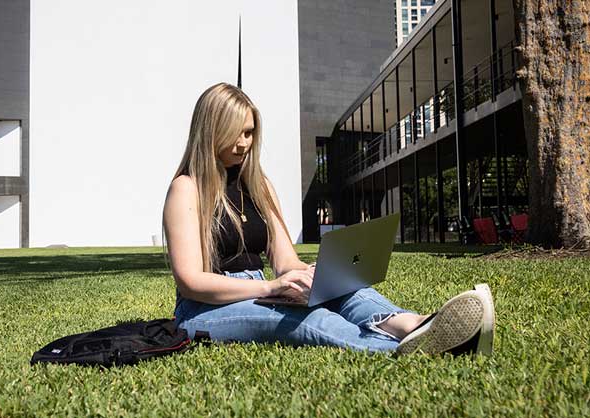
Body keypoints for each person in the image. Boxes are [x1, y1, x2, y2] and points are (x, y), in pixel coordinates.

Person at [162, 82, 495, 355]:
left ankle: (414, 325)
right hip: (203, 310)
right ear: (210, 131)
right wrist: (270, 286)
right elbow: (191, 282)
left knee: (348, 290)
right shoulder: (186, 189)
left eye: (249, 133)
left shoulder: (259, 186)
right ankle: (409, 349)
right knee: (309, 321)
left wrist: (310, 276)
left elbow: (284, 261)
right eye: (235, 133)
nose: (244, 143)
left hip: (261, 289)